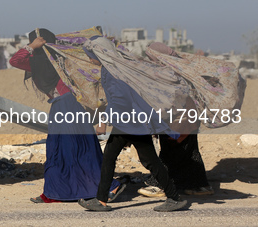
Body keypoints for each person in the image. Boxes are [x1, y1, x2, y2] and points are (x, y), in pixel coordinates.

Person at [9, 29, 123, 203]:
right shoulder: (37, 62)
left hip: (70, 106)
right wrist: (33, 47)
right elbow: (15, 61)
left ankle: (110, 185)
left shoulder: (59, 59)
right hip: (59, 106)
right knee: (57, 150)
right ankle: (55, 192)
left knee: (79, 150)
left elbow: (15, 60)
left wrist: (31, 46)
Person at [78, 36, 187, 212]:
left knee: (141, 160)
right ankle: (102, 199)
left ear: (98, 53)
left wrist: (104, 120)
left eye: (90, 54)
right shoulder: (116, 67)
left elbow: (120, 98)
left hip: (131, 122)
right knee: (134, 159)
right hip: (132, 121)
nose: (89, 58)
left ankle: (174, 198)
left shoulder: (112, 71)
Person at [138, 42, 213, 197]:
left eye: (151, 56)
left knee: (169, 151)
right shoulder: (180, 68)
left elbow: (171, 99)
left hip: (178, 120)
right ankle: (199, 186)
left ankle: (159, 185)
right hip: (190, 118)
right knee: (189, 152)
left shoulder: (168, 72)